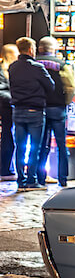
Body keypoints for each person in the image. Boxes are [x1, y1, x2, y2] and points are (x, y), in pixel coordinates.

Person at [8, 36, 55, 191]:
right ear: (30, 50)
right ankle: (31, 180)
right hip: (35, 111)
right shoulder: (37, 68)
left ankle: (20, 179)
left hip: (18, 111)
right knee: (35, 147)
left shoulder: (12, 67)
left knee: (20, 147)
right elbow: (51, 86)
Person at [36, 36, 75, 188]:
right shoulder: (62, 65)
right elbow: (70, 87)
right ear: (54, 49)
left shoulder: (33, 63)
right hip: (58, 109)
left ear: (40, 48)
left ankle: (40, 178)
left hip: (40, 108)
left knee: (41, 145)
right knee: (61, 145)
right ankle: (63, 178)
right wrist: (64, 102)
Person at [0, 43, 17, 181]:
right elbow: (1, 91)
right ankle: (5, 168)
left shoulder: (14, 69)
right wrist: (15, 99)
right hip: (6, 108)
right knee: (8, 137)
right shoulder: (2, 70)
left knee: (11, 137)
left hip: (13, 107)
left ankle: (9, 167)